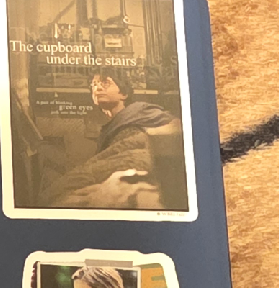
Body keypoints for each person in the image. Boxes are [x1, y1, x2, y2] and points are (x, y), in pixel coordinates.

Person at [42, 68, 182, 209]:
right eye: (94, 84)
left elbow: (175, 127)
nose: (97, 87)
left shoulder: (140, 110)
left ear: (124, 93)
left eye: (105, 83)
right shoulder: (107, 130)